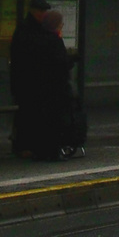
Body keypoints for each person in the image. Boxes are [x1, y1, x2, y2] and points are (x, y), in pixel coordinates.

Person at [26, 9, 81, 162]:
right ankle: (52, 152)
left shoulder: (37, 39)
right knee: (55, 121)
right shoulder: (54, 41)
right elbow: (60, 64)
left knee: (41, 120)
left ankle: (40, 151)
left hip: (39, 87)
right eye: (60, 24)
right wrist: (72, 59)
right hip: (55, 88)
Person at [9, 0, 51, 156]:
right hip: (27, 80)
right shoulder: (27, 29)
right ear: (33, 11)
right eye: (41, 11)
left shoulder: (33, 28)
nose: (43, 14)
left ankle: (28, 144)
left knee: (31, 113)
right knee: (26, 113)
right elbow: (27, 57)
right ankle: (22, 145)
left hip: (32, 80)